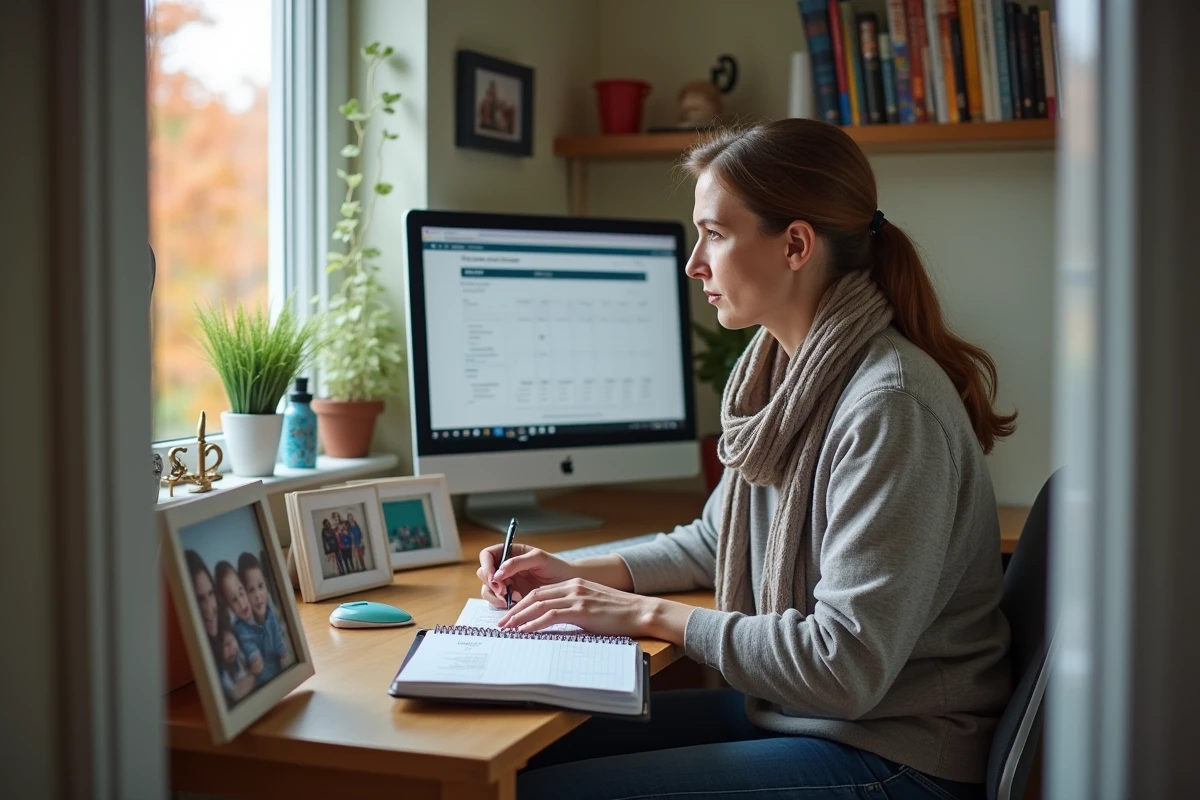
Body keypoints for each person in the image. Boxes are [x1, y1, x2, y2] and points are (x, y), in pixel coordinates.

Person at [477, 119, 1015, 800]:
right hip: (801, 717)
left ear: (795, 245)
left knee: (540, 792)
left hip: (898, 753)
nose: (694, 262)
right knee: (516, 759)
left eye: (716, 234)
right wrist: (573, 575)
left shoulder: (887, 406)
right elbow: (717, 539)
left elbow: (842, 664)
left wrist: (645, 614)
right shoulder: (783, 378)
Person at [237, 552, 293, 681]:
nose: (258, 595)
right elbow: (256, 663)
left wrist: (284, 657)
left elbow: (280, 646)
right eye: (251, 590)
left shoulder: (270, 614)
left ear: (266, 587)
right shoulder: (244, 629)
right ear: (244, 594)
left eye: (260, 586)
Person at [213, 560, 264, 680]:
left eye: (241, 593)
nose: (242, 604)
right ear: (229, 606)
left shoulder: (258, 607)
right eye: (234, 600)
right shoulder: (237, 631)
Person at [216, 616, 256, 704]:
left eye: (232, 641)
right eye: (226, 645)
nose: (231, 648)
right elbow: (235, 694)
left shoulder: (240, 656)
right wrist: (252, 677)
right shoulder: (223, 673)